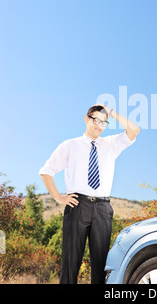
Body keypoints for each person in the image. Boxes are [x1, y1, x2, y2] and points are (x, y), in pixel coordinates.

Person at [39, 104, 140, 284]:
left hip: (102, 208)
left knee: (101, 264)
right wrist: (59, 198)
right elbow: (46, 172)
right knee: (71, 261)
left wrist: (112, 113)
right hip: (77, 205)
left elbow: (134, 130)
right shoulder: (70, 145)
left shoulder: (110, 144)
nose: (99, 125)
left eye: (103, 122)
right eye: (96, 120)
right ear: (87, 119)